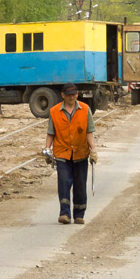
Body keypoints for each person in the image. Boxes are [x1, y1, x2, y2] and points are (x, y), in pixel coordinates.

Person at [45, 83, 97, 224]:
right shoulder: (54, 111)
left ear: (77, 94)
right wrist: (47, 150)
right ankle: (65, 213)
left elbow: (89, 132)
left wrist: (93, 150)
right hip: (62, 152)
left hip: (80, 152)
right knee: (64, 182)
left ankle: (79, 214)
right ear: (63, 95)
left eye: (73, 94)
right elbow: (51, 133)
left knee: (80, 184)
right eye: (68, 94)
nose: (71, 97)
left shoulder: (85, 110)